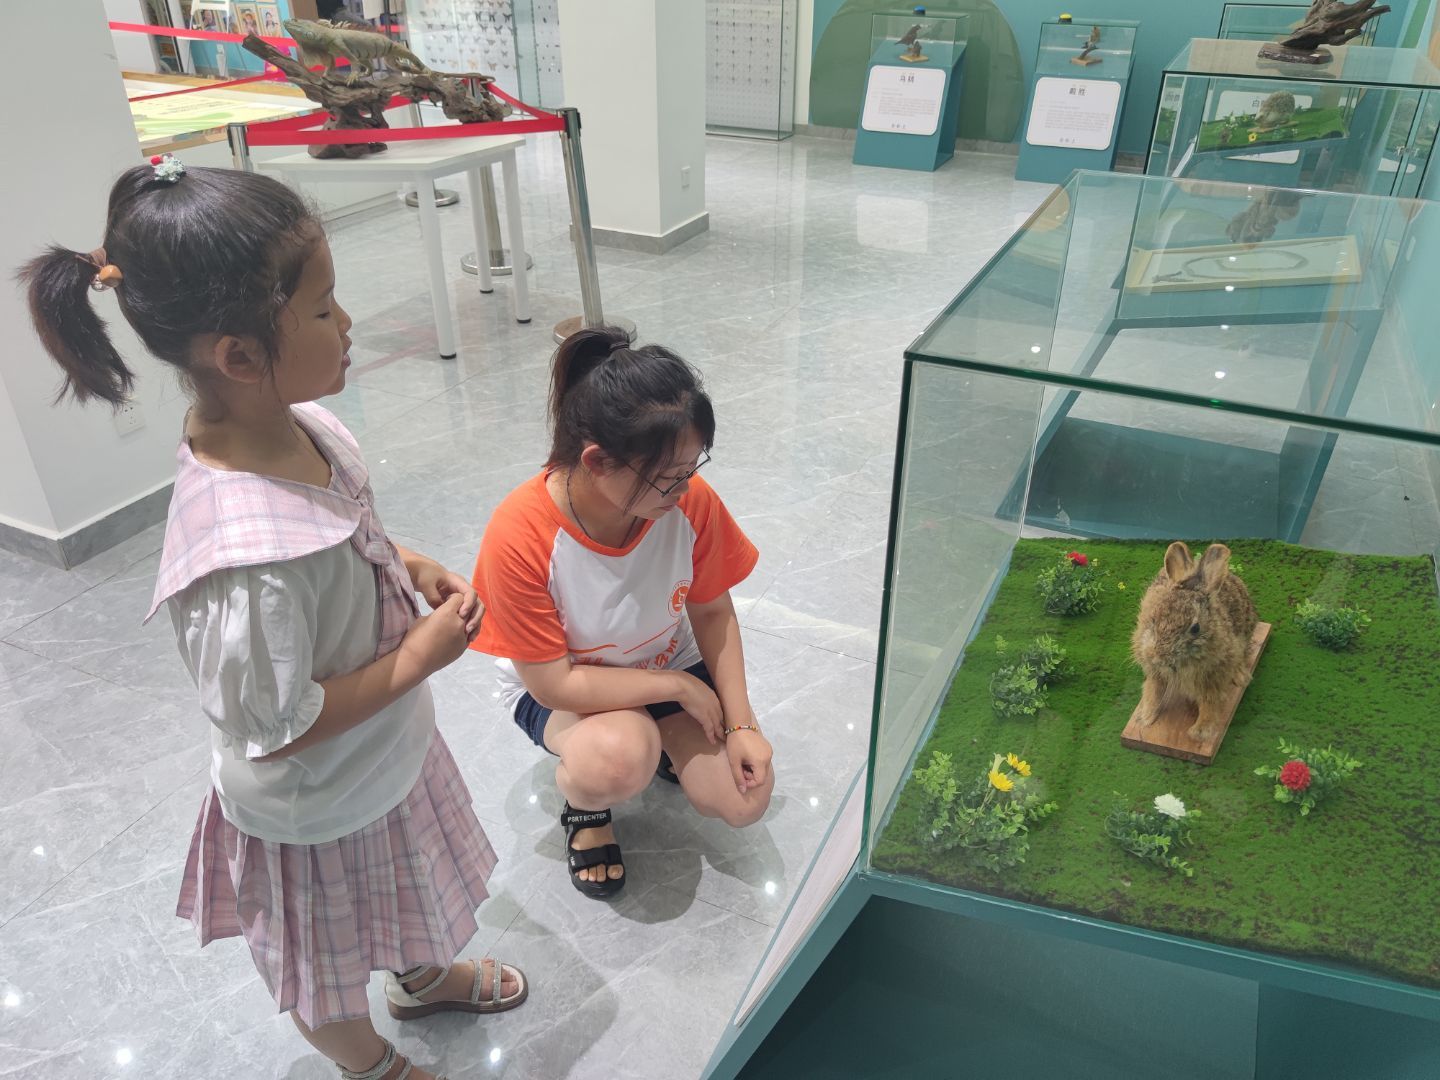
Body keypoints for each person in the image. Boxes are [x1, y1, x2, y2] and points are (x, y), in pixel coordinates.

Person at [20, 157, 525, 1080]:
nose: (348, 323)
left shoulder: (304, 428)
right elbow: (277, 726)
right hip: (315, 806)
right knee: (327, 973)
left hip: (378, 759)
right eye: (324, 310)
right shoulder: (242, 565)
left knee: (405, 885)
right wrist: (419, 656)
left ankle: (419, 977)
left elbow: (344, 525)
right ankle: (370, 1065)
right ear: (241, 356)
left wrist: (406, 562)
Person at [469, 326, 775, 899]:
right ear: (598, 461)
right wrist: (679, 689)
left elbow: (712, 612)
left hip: (665, 659)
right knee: (617, 757)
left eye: (692, 468)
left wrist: (742, 725)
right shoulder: (520, 534)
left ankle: (661, 739)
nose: (685, 489)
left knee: (743, 799)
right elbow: (554, 683)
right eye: (669, 477)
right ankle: (587, 808)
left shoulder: (688, 502)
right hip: (565, 690)